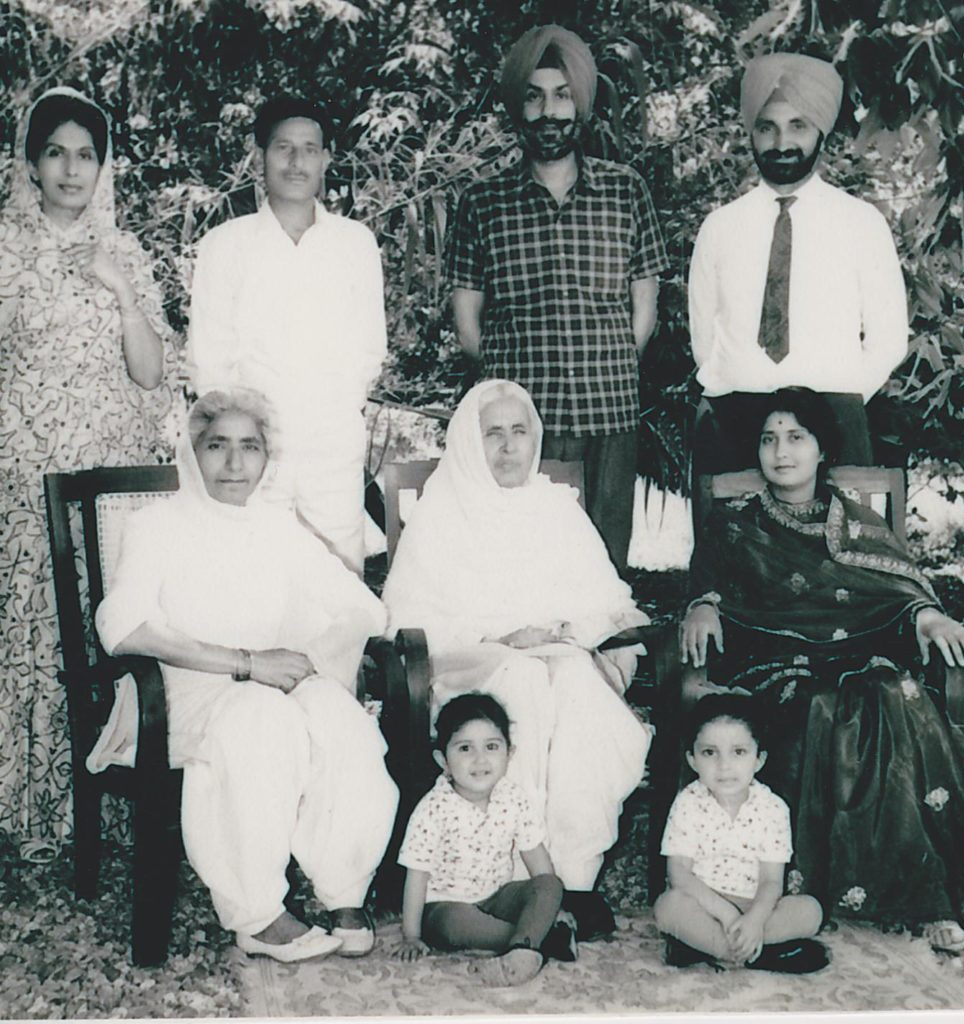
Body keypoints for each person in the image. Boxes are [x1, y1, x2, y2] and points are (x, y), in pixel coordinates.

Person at [679, 387, 964, 955]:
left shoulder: (857, 523)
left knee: (897, 693)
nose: (781, 452)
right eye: (769, 439)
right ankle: (929, 900)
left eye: (796, 438)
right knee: (822, 705)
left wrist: (930, 617)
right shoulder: (734, 525)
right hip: (777, 666)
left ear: (822, 450)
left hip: (860, 659)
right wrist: (703, 606)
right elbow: (705, 589)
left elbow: (900, 588)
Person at [93, 388, 399, 962]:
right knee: (261, 721)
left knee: (341, 720)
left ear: (266, 456)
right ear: (193, 449)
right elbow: (124, 628)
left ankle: (343, 888)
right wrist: (246, 663)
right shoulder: (155, 525)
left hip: (269, 683)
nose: (234, 464)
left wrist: (311, 660)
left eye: (249, 447)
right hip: (184, 691)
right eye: (217, 446)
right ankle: (257, 914)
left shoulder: (276, 526)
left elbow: (361, 607)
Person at [382, 379, 651, 941]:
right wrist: (503, 636)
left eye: (519, 432)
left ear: (536, 440)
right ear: (467, 443)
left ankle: (572, 878)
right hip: (471, 668)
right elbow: (407, 621)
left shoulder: (556, 509)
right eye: (493, 434)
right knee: (524, 681)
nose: (508, 447)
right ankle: (511, 883)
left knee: (577, 684)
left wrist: (567, 633)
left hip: (558, 659)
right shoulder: (440, 515)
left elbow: (609, 603)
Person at [0, 86, 173, 855]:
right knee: (41, 633)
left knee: (116, 631)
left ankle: (116, 802)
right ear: (30, 164)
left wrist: (121, 290)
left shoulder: (126, 250)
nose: (73, 169)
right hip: (28, 471)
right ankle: (40, 807)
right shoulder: (6, 250)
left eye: (87, 154)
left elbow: (149, 375)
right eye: (56, 152)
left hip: (114, 478)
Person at [446, 25, 670, 572]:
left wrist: (610, 360)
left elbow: (645, 309)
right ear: (518, 109)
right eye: (534, 95)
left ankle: (607, 658)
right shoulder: (482, 202)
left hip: (608, 409)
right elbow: (468, 326)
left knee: (605, 562)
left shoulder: (625, 190)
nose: (549, 112)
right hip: (522, 423)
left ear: (582, 105)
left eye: (562, 95)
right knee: (524, 562)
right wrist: (510, 389)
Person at [188, 96, 387, 574]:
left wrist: (329, 416)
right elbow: (208, 361)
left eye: (309, 149)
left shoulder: (354, 243)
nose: (296, 162)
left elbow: (368, 352)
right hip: (252, 452)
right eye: (283, 148)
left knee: (338, 584)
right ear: (261, 156)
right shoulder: (225, 245)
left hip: (331, 448)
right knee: (251, 578)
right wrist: (246, 442)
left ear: (326, 159)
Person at [688, 52, 908, 476]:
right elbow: (704, 337)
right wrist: (733, 388)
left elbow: (889, 338)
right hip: (736, 420)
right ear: (751, 132)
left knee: (838, 542)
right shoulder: (719, 227)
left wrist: (838, 399)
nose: (781, 143)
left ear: (820, 131)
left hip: (835, 419)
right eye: (767, 127)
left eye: (798, 126)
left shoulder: (862, 223)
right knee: (736, 542)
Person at [396, 693, 577, 986]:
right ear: (443, 759)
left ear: (509, 753)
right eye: (465, 748)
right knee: (455, 925)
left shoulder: (513, 797)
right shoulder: (433, 808)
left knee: (550, 883)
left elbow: (536, 858)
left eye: (492, 746)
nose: (480, 759)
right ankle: (535, 940)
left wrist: (551, 903)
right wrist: (411, 936)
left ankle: (530, 940)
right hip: (445, 906)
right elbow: (416, 876)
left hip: (497, 896)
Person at [654, 694, 828, 973]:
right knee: (667, 907)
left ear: (759, 759)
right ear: (692, 759)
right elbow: (679, 874)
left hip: (755, 905)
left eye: (739, 752)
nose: (724, 766)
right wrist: (724, 914)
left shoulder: (773, 808)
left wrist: (755, 921)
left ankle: (709, 947)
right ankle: (756, 954)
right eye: (710, 752)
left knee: (810, 912)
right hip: (704, 904)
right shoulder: (688, 802)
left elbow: (772, 881)